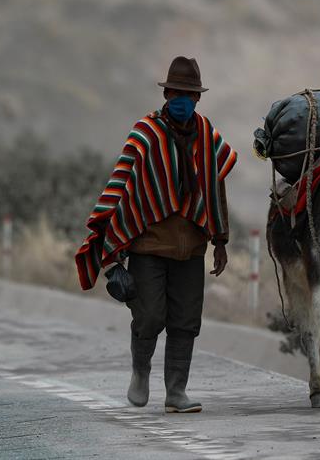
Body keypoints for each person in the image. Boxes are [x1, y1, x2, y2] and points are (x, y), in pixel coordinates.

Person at [74, 56, 237, 413]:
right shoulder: (145, 133)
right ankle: (140, 371)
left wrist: (221, 240)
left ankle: (176, 391)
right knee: (149, 316)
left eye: (188, 94)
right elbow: (120, 188)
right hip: (148, 245)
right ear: (166, 94)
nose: (180, 99)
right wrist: (112, 249)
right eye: (175, 92)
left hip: (192, 246)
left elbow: (215, 189)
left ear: (197, 99)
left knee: (186, 321)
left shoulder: (207, 134)